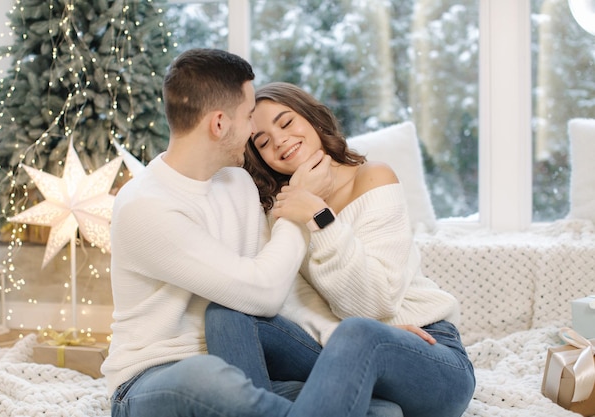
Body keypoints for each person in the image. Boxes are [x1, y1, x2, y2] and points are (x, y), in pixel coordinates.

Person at [102, 48, 414, 417]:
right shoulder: (146, 207)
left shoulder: (237, 183)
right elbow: (261, 292)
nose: (254, 131)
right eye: (250, 116)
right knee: (208, 377)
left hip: (242, 370)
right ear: (219, 124)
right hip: (155, 378)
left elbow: (282, 291)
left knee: (384, 412)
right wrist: (303, 204)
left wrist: (361, 338)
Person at [205, 82, 476, 417]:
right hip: (338, 350)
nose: (279, 140)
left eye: (286, 123)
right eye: (262, 141)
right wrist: (297, 213)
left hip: (428, 354)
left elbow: (375, 305)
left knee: (358, 332)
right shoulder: (280, 211)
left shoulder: (373, 177)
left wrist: (320, 217)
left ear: (312, 118)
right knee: (228, 312)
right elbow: (287, 303)